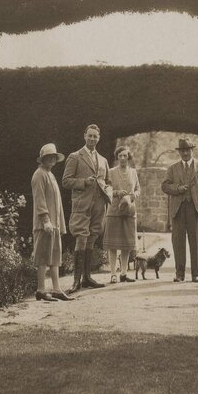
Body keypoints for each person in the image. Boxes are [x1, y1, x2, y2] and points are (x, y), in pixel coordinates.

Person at [62, 124, 112, 294]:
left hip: (98, 206)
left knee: (92, 237)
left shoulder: (104, 160)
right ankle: (76, 281)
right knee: (81, 238)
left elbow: (109, 182)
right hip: (81, 204)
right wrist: (84, 182)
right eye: (89, 136)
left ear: (99, 138)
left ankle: (87, 277)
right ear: (84, 136)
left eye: (95, 136)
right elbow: (66, 181)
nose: (92, 139)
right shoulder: (75, 157)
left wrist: (108, 191)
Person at [161, 138, 198, 282]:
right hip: (178, 209)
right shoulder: (172, 168)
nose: (185, 153)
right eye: (182, 151)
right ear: (179, 152)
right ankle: (179, 273)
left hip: (194, 209)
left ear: (192, 150)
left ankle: (196, 274)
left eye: (187, 150)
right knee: (178, 242)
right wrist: (177, 189)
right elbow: (164, 186)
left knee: (195, 242)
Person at [30, 143, 74, 301]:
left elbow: (56, 202)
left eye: (53, 157)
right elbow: (40, 199)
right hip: (44, 225)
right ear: (42, 159)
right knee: (42, 255)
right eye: (48, 157)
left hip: (54, 224)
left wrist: (58, 223)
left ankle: (56, 289)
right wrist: (46, 220)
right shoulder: (39, 174)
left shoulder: (50, 174)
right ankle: (41, 289)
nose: (51, 159)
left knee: (55, 255)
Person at [103, 146, 140, 283]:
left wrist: (133, 195)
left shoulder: (133, 172)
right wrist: (117, 193)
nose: (123, 158)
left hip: (129, 211)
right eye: (120, 156)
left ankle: (123, 273)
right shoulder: (111, 172)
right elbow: (107, 189)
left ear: (128, 157)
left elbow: (138, 189)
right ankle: (113, 273)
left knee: (126, 244)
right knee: (113, 245)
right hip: (114, 211)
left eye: (125, 156)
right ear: (117, 157)